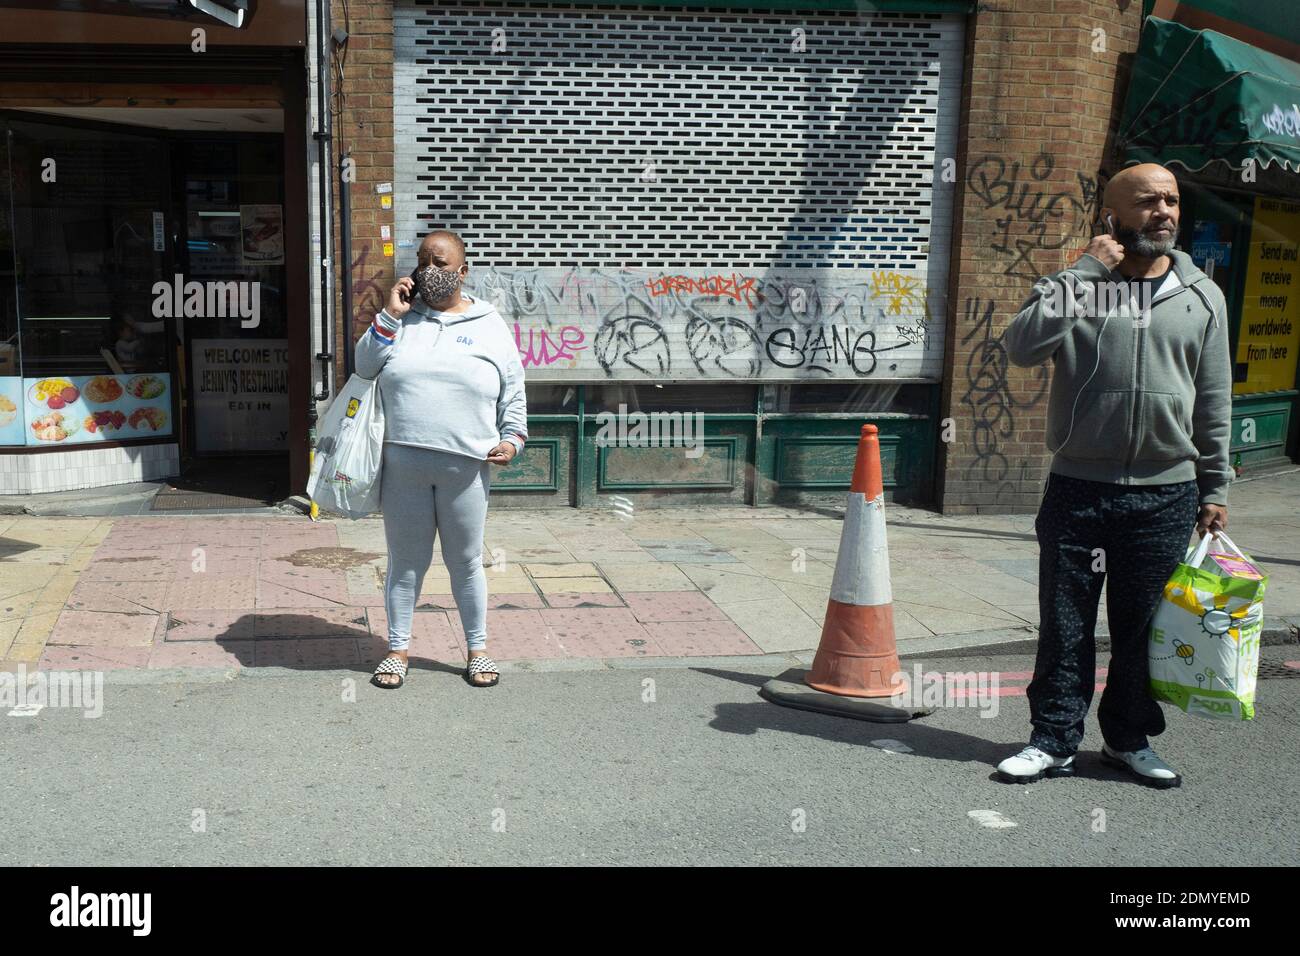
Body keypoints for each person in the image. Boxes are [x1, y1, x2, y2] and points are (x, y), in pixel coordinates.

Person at [998, 163, 1231, 788]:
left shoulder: (1202, 294)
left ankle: (1128, 739)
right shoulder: (1084, 287)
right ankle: (1052, 739)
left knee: (1144, 631)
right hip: (1078, 487)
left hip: (1167, 494)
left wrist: (1216, 486)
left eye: (1172, 200)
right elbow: (1020, 348)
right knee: (1065, 622)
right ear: (1113, 216)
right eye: (1148, 201)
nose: (1164, 212)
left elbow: (1213, 398)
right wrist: (1083, 272)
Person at [355, 230, 528, 689]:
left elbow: (513, 391)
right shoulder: (401, 319)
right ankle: (397, 649)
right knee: (406, 562)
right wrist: (390, 314)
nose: (430, 269)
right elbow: (363, 366)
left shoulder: (490, 323)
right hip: (403, 467)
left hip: (465, 467)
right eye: (423, 260)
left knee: (465, 561)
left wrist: (512, 439)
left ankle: (478, 648)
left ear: (463, 270)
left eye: (441, 261)